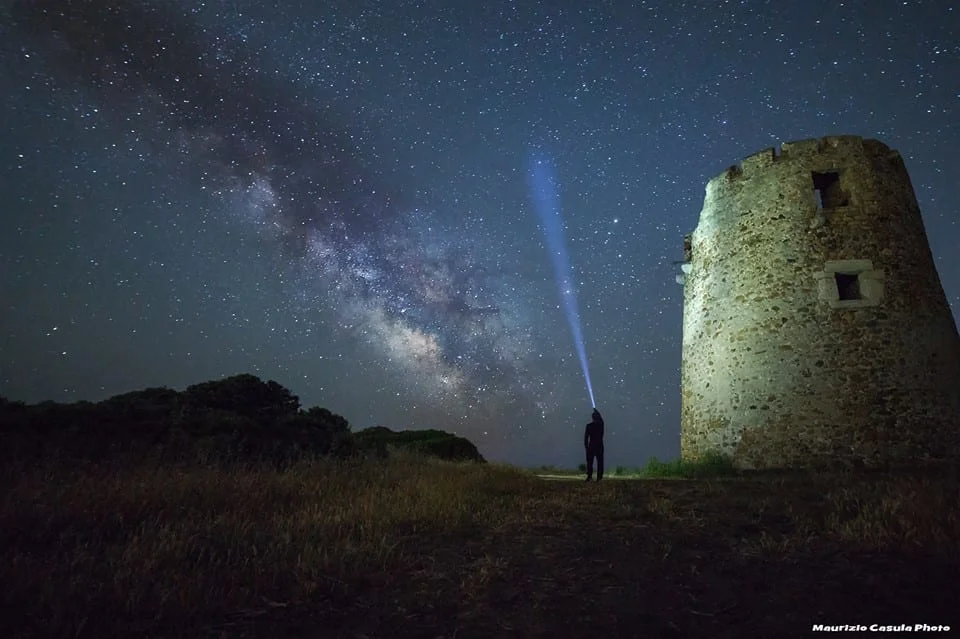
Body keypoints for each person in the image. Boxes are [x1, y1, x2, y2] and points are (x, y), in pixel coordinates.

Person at [584, 408, 604, 481]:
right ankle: (599, 477)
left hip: (591, 446)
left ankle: (589, 476)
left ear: (592, 418)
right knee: (600, 462)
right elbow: (601, 420)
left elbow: (586, 437)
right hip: (599, 445)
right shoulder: (601, 425)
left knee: (589, 462)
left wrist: (586, 446)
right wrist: (597, 411)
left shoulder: (589, 426)